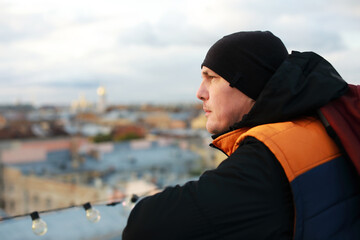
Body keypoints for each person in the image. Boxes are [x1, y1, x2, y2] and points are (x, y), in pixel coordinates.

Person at [122, 31, 360, 239]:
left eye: (211, 78)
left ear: (249, 84)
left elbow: (144, 227)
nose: (199, 93)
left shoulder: (266, 159)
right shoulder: (321, 124)